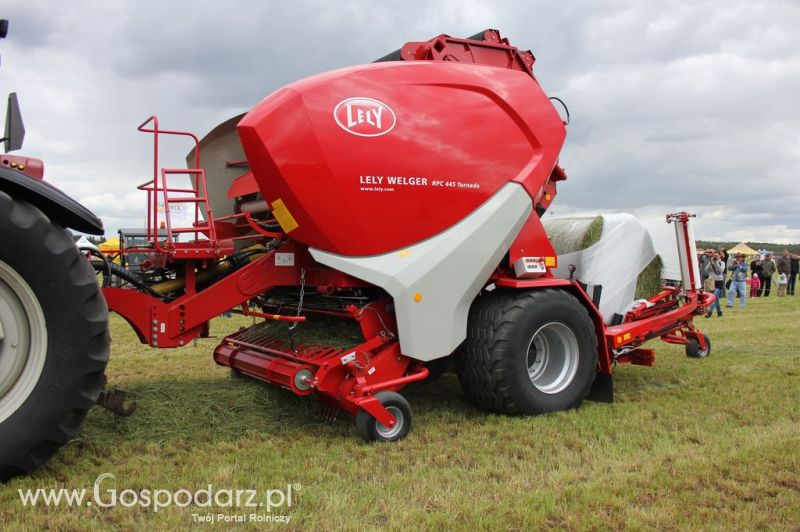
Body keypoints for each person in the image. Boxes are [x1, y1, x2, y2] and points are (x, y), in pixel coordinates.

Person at [704, 251, 725, 318]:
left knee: (713, 297)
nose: (715, 257)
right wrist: (710, 262)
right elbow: (706, 270)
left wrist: (716, 263)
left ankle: (709, 312)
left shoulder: (722, 262)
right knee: (716, 299)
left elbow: (721, 270)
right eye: (714, 255)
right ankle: (719, 312)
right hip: (712, 282)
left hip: (719, 282)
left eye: (717, 255)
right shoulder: (711, 262)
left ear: (719, 256)